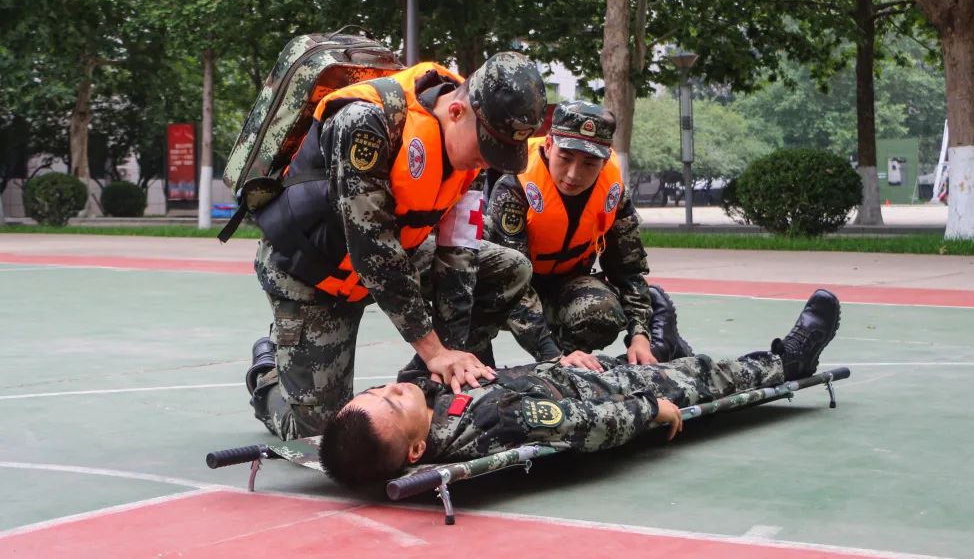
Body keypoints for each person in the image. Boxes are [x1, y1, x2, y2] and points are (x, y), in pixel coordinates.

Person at [244, 52, 547, 441]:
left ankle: (422, 385)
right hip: (314, 276)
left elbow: (459, 252)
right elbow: (373, 249)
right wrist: (433, 350)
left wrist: (447, 356)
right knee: (317, 433)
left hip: (395, 259)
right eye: (487, 147)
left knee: (509, 267)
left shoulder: (468, 154)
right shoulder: (366, 123)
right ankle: (268, 374)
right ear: (456, 111)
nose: (488, 163)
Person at [319, 290, 841, 487]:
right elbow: (584, 427)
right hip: (608, 394)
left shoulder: (428, 404)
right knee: (706, 376)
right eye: (391, 400)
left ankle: (664, 344)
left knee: (662, 360)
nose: (393, 387)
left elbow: (420, 378)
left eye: (374, 390)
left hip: (573, 370)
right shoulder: (492, 425)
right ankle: (786, 360)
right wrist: (649, 409)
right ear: (415, 450)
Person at [484, 100, 692, 366]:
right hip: (505, 293)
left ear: (605, 162)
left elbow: (628, 270)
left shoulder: (612, 194)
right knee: (468, 293)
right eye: (566, 158)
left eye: (589, 163)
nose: (574, 174)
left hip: (565, 285)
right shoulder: (515, 188)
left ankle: (576, 362)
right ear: (548, 146)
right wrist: (552, 357)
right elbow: (512, 286)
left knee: (600, 311)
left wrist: (640, 334)